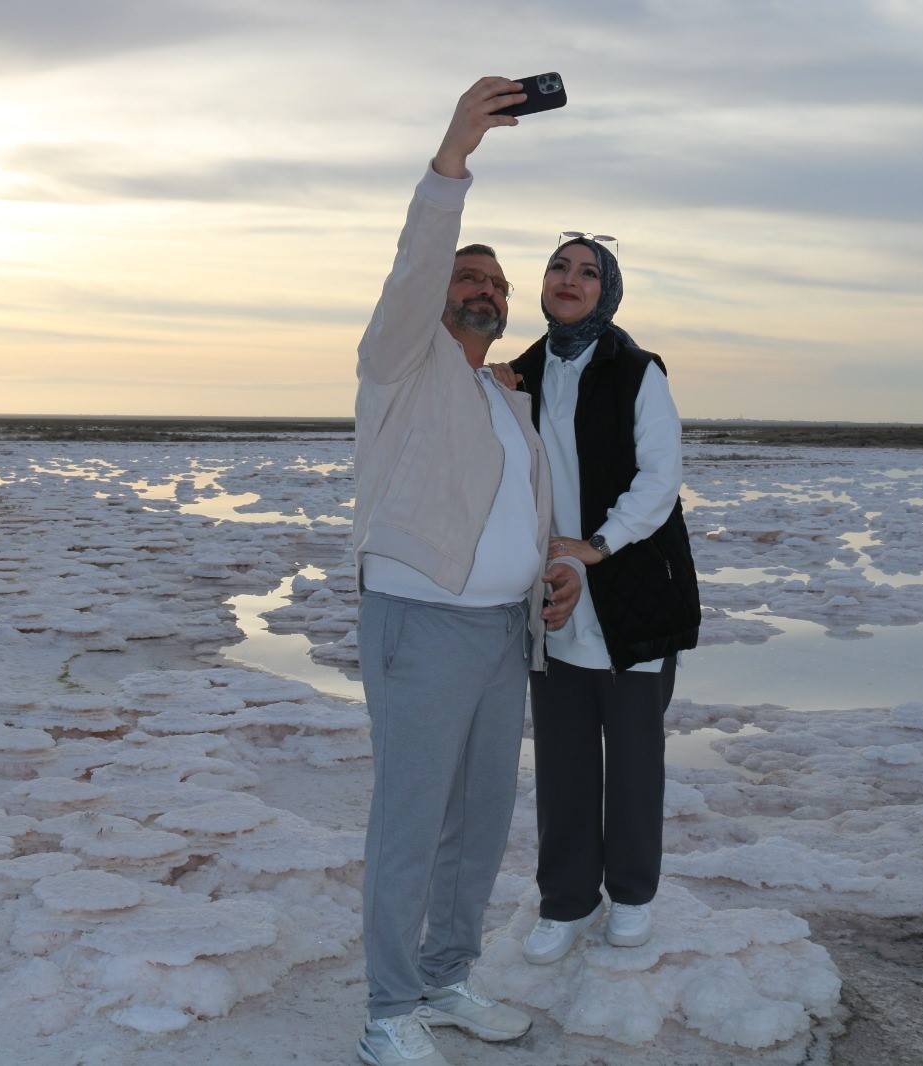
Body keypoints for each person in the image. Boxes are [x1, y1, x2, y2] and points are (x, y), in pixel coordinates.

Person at [352, 78, 587, 1066]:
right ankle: (387, 1013)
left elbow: (517, 506)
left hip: (501, 633)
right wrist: (455, 151)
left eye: (496, 284)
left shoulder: (503, 398)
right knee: (412, 822)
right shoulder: (399, 363)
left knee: (480, 824)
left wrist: (555, 564)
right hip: (422, 625)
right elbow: (417, 262)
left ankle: (447, 979)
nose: (486, 291)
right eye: (470, 278)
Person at [504, 234, 701, 966]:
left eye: (589, 272)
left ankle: (634, 896)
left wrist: (597, 546)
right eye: (560, 266)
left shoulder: (638, 372)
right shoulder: (517, 375)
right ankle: (565, 902)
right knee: (561, 762)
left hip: (630, 596)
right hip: (549, 598)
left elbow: (659, 481)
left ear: (606, 291)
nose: (571, 279)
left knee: (634, 762)